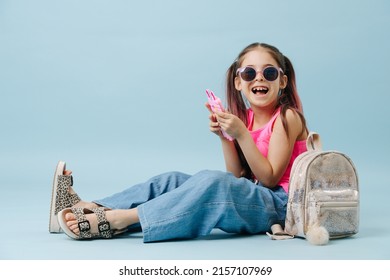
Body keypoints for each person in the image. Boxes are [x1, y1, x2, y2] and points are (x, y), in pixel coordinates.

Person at [49, 42, 309, 242]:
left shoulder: (287, 117)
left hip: (278, 205)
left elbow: (270, 179)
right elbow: (236, 177)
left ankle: (120, 219)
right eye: (250, 73)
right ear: (239, 82)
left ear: (282, 81)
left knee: (212, 181)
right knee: (171, 180)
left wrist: (240, 134)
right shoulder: (247, 119)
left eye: (270, 72)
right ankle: (93, 207)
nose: (259, 78)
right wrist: (225, 138)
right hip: (253, 196)